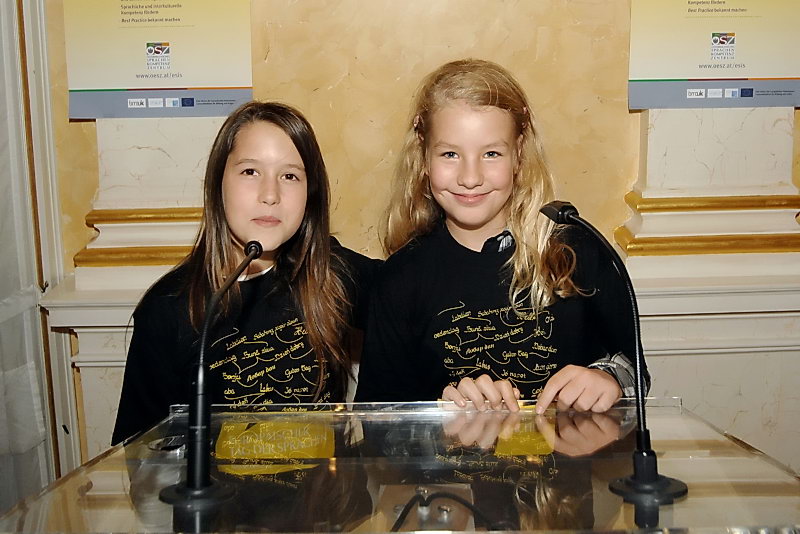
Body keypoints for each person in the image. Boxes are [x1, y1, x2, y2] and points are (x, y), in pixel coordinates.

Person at [355, 59, 648, 413]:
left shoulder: (577, 250)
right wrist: (439, 422)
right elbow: (378, 421)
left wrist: (609, 378)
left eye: (491, 153)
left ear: (519, 153)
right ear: (423, 156)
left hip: (571, 449)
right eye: (450, 154)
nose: (470, 178)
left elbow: (637, 373)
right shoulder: (399, 281)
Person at [112, 101, 378, 444]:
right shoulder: (168, 308)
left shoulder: (330, 272)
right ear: (218, 183)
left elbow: (415, 298)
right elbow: (139, 452)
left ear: (309, 195)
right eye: (250, 172)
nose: (270, 195)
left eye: (290, 176)